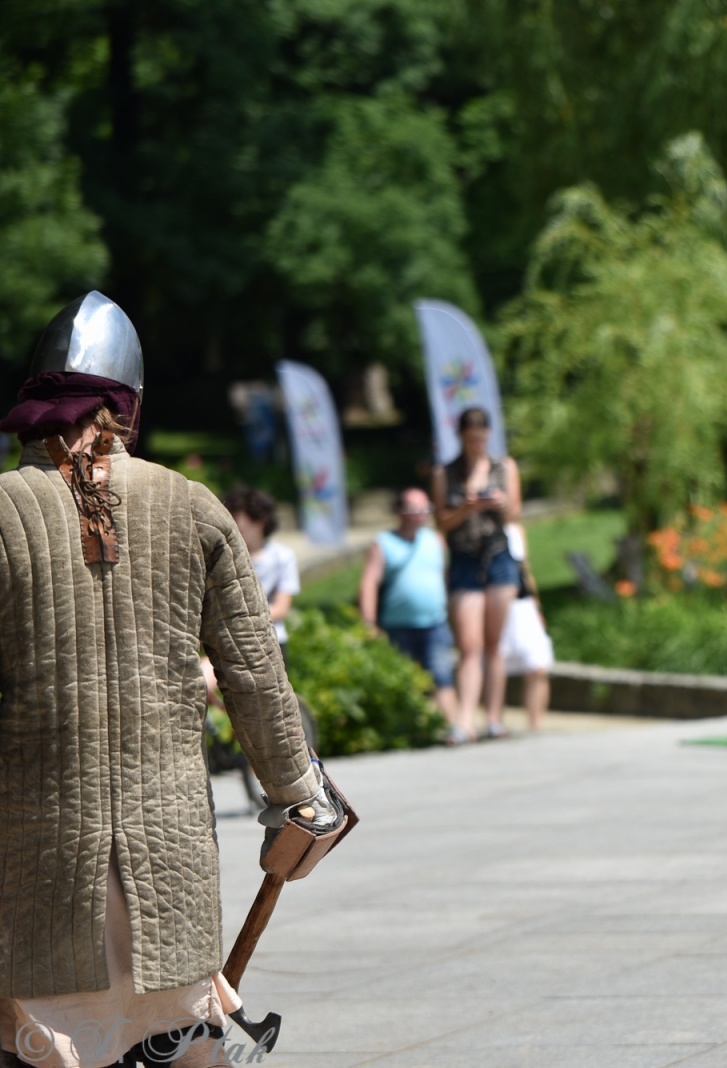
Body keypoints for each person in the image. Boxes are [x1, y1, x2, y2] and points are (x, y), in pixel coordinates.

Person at [0, 292, 339, 1068]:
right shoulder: (193, 507)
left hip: (38, 861)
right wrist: (298, 792)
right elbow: (255, 673)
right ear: (130, 409)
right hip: (168, 863)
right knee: (186, 1043)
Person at [432, 406, 521, 744]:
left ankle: (495, 717)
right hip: (465, 558)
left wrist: (498, 503)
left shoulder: (504, 466)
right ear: (461, 438)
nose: (477, 445)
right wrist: (467, 507)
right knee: (470, 644)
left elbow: (515, 513)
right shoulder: (446, 473)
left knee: (494, 644)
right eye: (471, 439)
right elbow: (442, 522)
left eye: (481, 439)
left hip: (498, 555)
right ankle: (465, 720)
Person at [358, 486, 461, 730]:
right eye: (413, 508)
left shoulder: (436, 539)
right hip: (397, 627)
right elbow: (369, 583)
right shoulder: (383, 543)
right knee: (403, 682)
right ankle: (409, 729)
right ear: (399, 511)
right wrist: (369, 622)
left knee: (442, 677)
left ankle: (453, 728)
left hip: (435, 623)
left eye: (425, 508)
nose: (420, 513)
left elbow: (445, 579)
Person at [221, 485, 298, 649]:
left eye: (237, 519)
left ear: (260, 520)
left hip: (271, 638)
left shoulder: (282, 556)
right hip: (227, 639)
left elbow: (281, 607)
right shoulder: (223, 557)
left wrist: (241, 619)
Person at [499, 524, 552, 731]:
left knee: (538, 664)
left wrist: (537, 607)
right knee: (495, 668)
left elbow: (525, 570)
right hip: (495, 606)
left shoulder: (515, 530)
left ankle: (536, 726)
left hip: (522, 604)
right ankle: (495, 723)